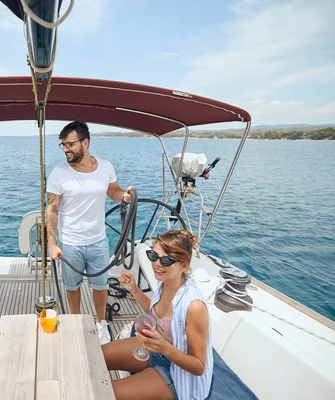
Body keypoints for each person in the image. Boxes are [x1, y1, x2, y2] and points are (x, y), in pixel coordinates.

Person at [46, 120, 133, 344]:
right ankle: (75, 322)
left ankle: (101, 323)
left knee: (101, 286)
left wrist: (123, 195)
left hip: (98, 240)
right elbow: (52, 208)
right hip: (70, 242)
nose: (66, 149)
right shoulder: (59, 173)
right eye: (63, 145)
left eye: (71, 144)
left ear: (85, 142)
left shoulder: (105, 166)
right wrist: (52, 243)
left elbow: (113, 190)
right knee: (72, 286)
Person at [102, 230, 213, 400]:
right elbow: (157, 313)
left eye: (166, 260)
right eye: (154, 256)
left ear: (184, 265)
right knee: (97, 354)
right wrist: (134, 289)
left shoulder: (194, 306)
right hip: (155, 350)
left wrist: (165, 348)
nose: (157, 264)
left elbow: (199, 366)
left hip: (176, 373)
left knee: (105, 395)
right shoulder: (165, 282)